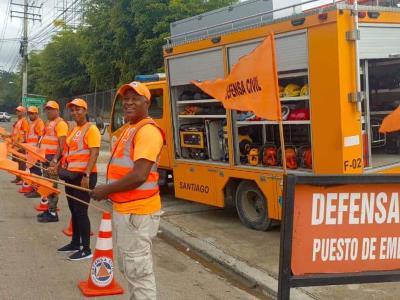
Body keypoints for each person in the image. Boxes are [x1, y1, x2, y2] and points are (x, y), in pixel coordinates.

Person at [91, 81, 164, 299]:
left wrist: (106, 190)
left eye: (135, 98)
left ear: (147, 103)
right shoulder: (130, 128)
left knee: (138, 271)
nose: (129, 102)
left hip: (137, 212)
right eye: (126, 99)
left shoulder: (148, 131)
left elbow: (139, 175)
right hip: (127, 210)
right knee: (130, 266)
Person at [57, 98, 100, 260]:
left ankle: (86, 249)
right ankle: (75, 243)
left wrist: (86, 174)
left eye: (78, 109)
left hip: (84, 176)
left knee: (81, 212)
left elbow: (94, 153)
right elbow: (69, 153)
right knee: (73, 210)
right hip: (71, 175)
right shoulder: (74, 129)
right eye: (72, 110)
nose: (75, 112)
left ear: (85, 111)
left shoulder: (91, 129)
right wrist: (59, 166)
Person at [37, 100, 68, 223]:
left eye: (51, 109)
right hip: (46, 158)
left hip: (52, 160)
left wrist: (55, 160)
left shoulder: (60, 124)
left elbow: (62, 145)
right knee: (47, 186)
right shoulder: (49, 122)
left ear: (57, 111)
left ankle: (53, 213)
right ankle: (49, 209)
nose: (48, 111)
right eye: (46, 109)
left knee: (52, 187)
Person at [25, 106, 45, 198]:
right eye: (30, 113)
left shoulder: (39, 122)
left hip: (35, 152)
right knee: (32, 170)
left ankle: (37, 190)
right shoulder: (32, 123)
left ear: (37, 114)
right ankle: (34, 188)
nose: (31, 115)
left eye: (33, 113)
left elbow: (40, 137)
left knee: (36, 171)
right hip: (30, 151)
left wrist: (37, 150)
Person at [11, 106, 29, 184]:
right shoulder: (18, 121)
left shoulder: (24, 121)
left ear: (23, 112)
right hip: (15, 145)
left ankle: (22, 179)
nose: (18, 112)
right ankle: (18, 178)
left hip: (21, 145)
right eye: (17, 111)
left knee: (21, 163)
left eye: (19, 111)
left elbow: (26, 133)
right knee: (16, 162)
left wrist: (24, 144)